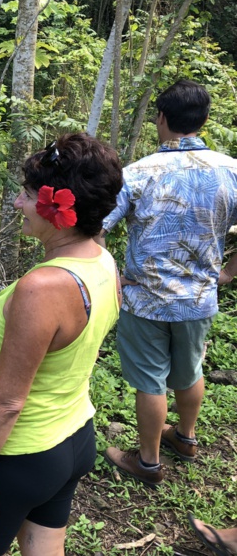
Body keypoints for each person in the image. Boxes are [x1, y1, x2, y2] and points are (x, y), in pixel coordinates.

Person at [0, 132, 123, 556]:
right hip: (75, 436)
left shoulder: (42, 288)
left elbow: (8, 403)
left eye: (26, 194)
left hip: (24, 456)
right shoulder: (103, 261)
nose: (16, 203)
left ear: (58, 209)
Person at [101, 79, 237, 487]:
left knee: (150, 380)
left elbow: (97, 228)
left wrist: (111, 276)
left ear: (160, 117)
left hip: (145, 299)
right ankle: (185, 438)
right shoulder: (232, 170)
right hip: (199, 298)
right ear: (204, 119)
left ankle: (147, 462)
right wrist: (228, 273)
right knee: (191, 370)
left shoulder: (138, 174)